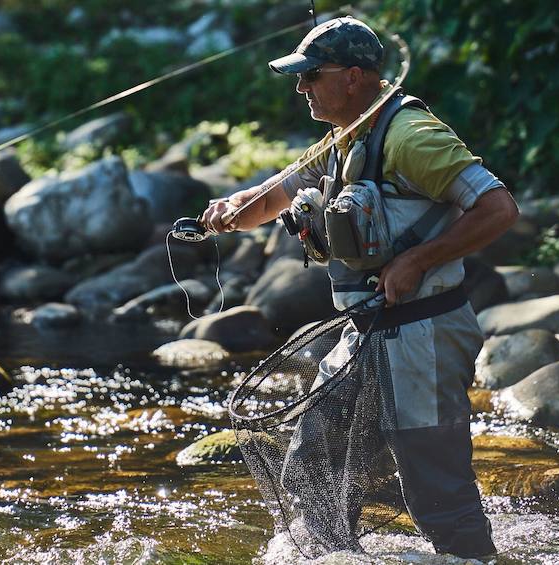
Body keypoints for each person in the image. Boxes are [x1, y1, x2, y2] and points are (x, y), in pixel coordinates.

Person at [201, 16, 518, 560]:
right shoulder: (345, 138)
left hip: (426, 334)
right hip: (368, 332)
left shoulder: (411, 137)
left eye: (310, 76)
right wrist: (231, 213)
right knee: (312, 456)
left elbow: (498, 209)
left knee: (436, 489)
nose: (301, 88)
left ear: (353, 77)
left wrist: (419, 259)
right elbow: (281, 190)